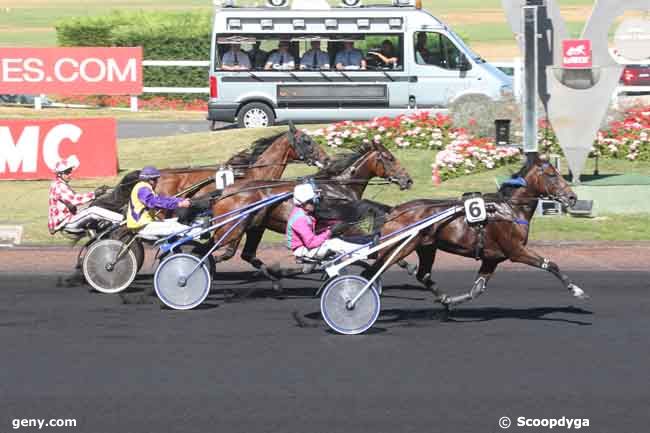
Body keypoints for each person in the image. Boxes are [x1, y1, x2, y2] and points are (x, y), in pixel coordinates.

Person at [286, 183, 366, 260]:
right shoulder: (300, 219)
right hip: (303, 251)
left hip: (307, 246)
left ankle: (363, 247)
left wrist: (339, 223)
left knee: (338, 239)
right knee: (336, 243)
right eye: (312, 201)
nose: (315, 203)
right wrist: (330, 231)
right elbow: (311, 243)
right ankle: (365, 252)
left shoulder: (304, 212)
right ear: (303, 203)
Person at [48, 156, 121, 235]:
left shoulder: (59, 184)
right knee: (93, 211)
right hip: (66, 222)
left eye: (70, 171)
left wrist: (95, 195)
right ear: (60, 174)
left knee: (93, 207)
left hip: (67, 219)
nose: (70, 174)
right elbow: (75, 200)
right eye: (67, 172)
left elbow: (74, 202)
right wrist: (95, 194)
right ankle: (120, 220)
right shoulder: (59, 186)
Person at [127, 166, 194, 240]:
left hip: (146, 224)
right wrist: (179, 204)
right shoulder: (143, 189)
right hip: (142, 226)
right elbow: (156, 203)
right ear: (151, 180)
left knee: (176, 221)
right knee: (180, 228)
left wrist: (180, 200)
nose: (157, 182)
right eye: (156, 179)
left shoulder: (145, 187)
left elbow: (162, 199)